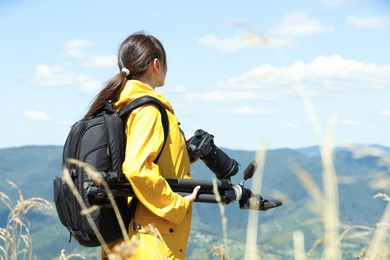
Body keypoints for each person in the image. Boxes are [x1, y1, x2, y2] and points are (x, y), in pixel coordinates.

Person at [85, 31, 200, 259]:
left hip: (123, 232)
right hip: (149, 238)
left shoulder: (118, 106)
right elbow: (136, 169)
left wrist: (181, 154)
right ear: (156, 64)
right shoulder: (148, 110)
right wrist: (176, 205)